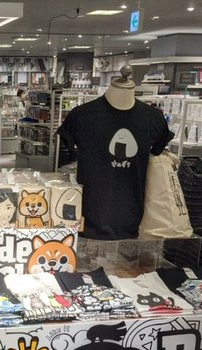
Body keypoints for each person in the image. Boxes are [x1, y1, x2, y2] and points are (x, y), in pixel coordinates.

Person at [56, 65, 173, 240]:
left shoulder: (153, 119)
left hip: (133, 222)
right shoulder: (81, 116)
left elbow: (157, 150)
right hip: (88, 220)